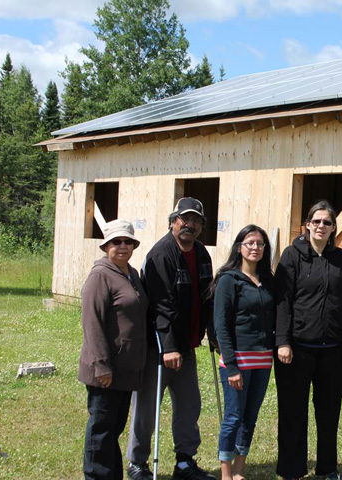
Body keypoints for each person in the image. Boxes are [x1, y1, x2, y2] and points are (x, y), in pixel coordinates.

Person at [126, 197, 216, 480]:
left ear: (201, 226)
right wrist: (169, 347)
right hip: (159, 348)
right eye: (184, 219)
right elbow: (161, 306)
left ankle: (185, 462)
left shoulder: (201, 254)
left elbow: (206, 297)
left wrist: (209, 333)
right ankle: (137, 463)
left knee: (190, 406)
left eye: (195, 220)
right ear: (172, 222)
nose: (189, 224)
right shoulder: (159, 256)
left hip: (187, 347)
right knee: (146, 407)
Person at [274, 200, 342, 480]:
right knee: (292, 412)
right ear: (307, 225)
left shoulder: (340, 259)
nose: (322, 226)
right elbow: (283, 301)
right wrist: (283, 342)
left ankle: (327, 469)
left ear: (334, 228)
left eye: (327, 222)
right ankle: (291, 470)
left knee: (328, 413)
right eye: (317, 221)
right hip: (297, 350)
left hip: (332, 352)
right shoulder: (291, 256)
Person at [79, 219, 148, 480]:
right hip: (106, 370)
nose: (122, 246)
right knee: (101, 429)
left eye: (127, 242)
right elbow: (92, 323)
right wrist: (101, 366)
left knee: (114, 428)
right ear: (106, 246)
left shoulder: (131, 273)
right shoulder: (100, 275)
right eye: (116, 242)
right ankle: (96, 476)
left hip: (126, 369)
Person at [210, 225, 275, 480]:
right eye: (250, 243)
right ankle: (226, 474)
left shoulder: (268, 281)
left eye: (260, 244)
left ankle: (239, 471)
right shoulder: (228, 280)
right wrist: (232, 366)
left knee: (250, 417)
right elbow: (221, 326)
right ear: (240, 247)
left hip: (263, 361)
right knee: (233, 417)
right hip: (237, 360)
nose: (255, 248)